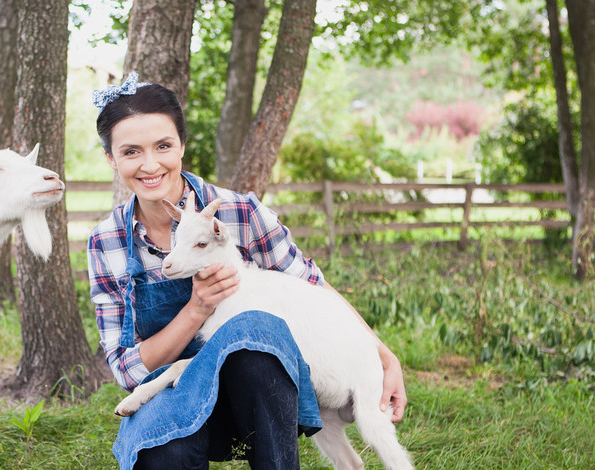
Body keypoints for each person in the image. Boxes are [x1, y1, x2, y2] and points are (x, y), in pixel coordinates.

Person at [86, 73, 407, 470]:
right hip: (175, 388)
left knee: (256, 332)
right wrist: (196, 310)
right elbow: (125, 369)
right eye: (131, 152)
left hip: (256, 393)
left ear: (182, 146)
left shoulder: (238, 211)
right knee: (160, 453)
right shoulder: (107, 241)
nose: (150, 164)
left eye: (163, 146)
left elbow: (313, 284)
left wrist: (384, 356)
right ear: (111, 159)